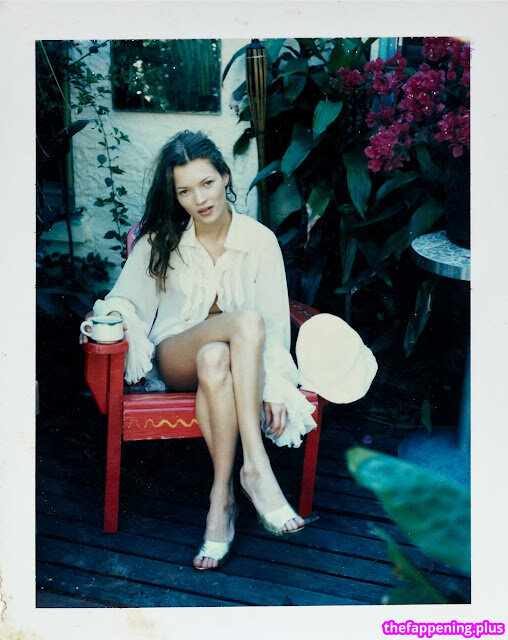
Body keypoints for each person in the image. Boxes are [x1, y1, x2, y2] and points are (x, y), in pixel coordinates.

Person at [80, 130, 319, 571]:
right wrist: (107, 323)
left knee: (216, 357)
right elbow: (124, 300)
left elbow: (275, 329)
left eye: (207, 183)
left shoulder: (259, 241)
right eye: (185, 191)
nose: (199, 199)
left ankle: (220, 502)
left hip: (228, 363)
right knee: (244, 321)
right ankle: (257, 468)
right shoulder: (161, 239)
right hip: (175, 357)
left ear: (225, 176)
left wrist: (272, 385)